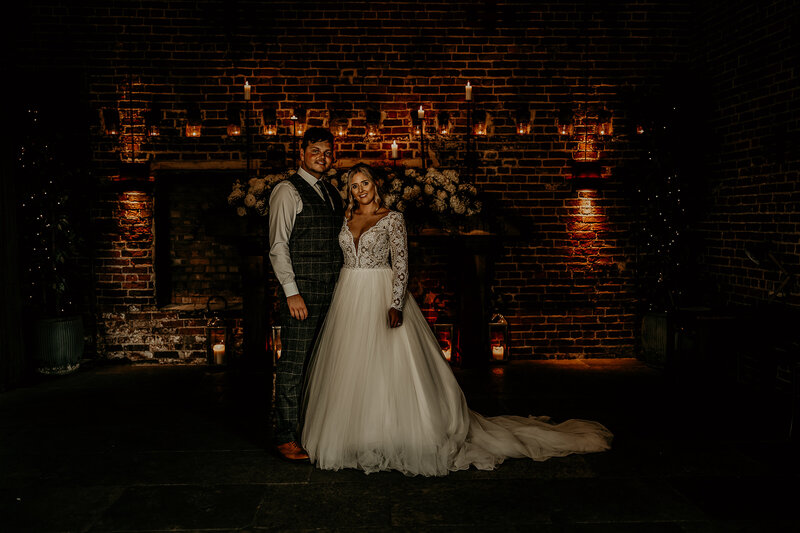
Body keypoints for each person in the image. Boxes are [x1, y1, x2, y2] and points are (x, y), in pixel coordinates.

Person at [301, 163, 613, 476]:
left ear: (375, 185)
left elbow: (401, 264)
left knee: (386, 364)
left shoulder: (392, 218)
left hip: (380, 292)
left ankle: (394, 433)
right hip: (348, 294)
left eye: (364, 183)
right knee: (351, 365)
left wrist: (395, 303)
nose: (360, 190)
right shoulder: (345, 218)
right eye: (354, 185)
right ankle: (354, 434)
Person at [268, 127, 344, 462]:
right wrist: (291, 292)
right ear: (301, 152)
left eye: (328, 152)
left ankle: (313, 430)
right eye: (315, 150)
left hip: (333, 290)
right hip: (303, 293)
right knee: (293, 365)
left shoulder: (332, 192)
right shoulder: (287, 190)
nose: (322, 157)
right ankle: (285, 435)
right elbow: (278, 247)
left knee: (323, 364)